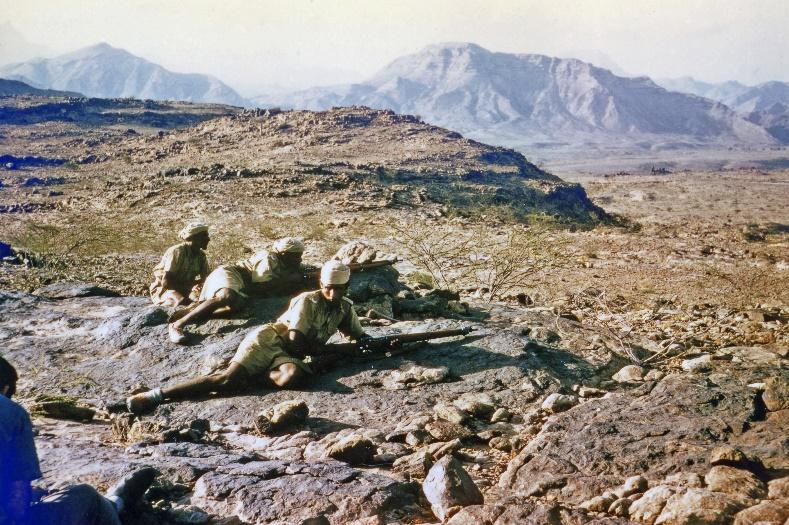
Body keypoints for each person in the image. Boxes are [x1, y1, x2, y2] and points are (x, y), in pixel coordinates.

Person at [124, 261, 377, 415]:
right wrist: (338, 352)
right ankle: (154, 395)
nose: (332, 293)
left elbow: (359, 335)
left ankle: (251, 376)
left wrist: (368, 344)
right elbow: (296, 340)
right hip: (270, 341)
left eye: (338, 288)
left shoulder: (345, 307)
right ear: (322, 284)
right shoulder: (306, 301)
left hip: (289, 355)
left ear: (346, 287)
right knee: (225, 381)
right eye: (328, 287)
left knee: (293, 377)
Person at [0, 356, 157, 525]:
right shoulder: (10, 412)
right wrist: (24, 495)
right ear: (5, 389)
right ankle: (114, 504)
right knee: (86, 497)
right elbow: (16, 506)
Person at [167, 237, 308, 344]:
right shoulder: (268, 258)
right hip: (231, 273)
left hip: (242, 285)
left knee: (237, 307)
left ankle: (197, 312)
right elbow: (261, 286)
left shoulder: (287, 262)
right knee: (226, 296)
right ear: (284, 254)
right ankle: (178, 325)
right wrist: (288, 280)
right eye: (296, 256)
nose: (299, 259)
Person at [149, 222, 210, 308]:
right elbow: (166, 283)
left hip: (185, 288)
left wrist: (199, 285)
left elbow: (206, 279)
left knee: (200, 301)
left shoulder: (201, 256)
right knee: (180, 302)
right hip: (165, 289)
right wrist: (190, 286)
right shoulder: (177, 252)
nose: (208, 239)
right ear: (194, 238)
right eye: (204, 236)